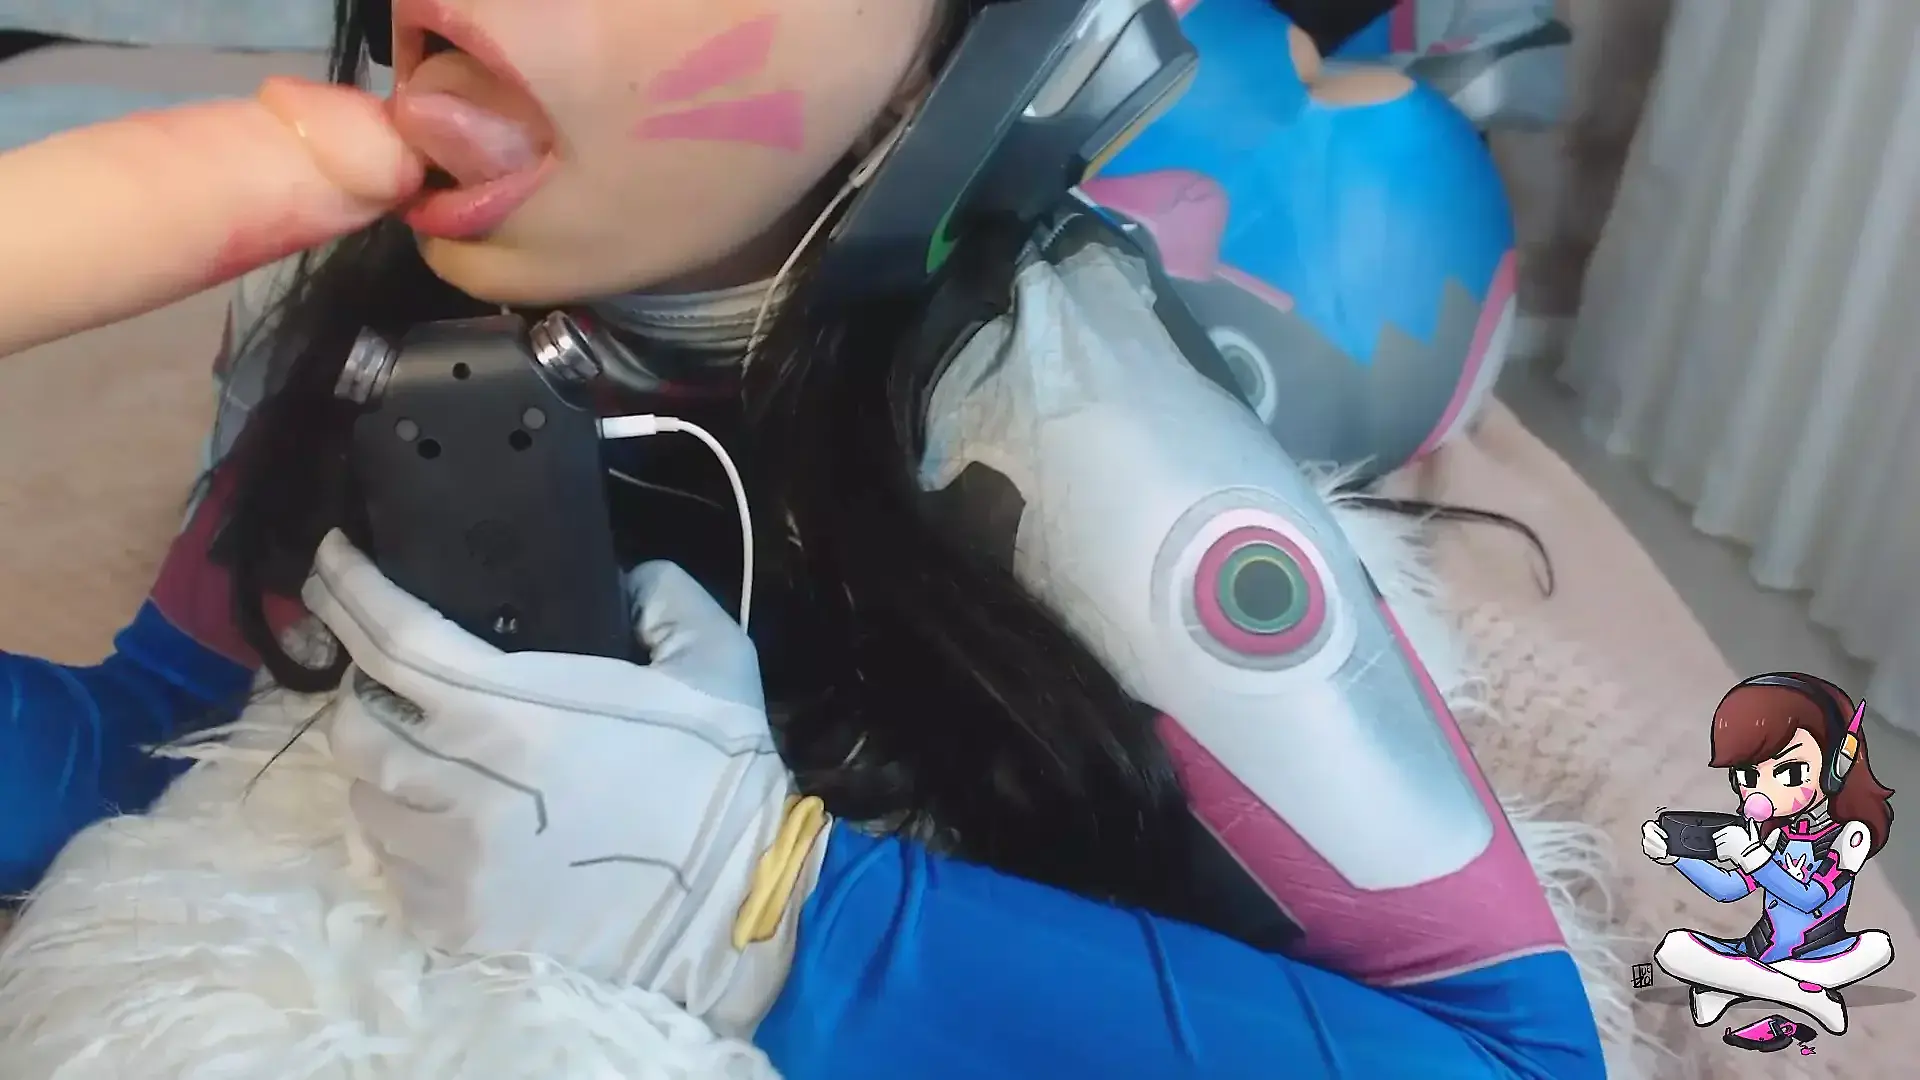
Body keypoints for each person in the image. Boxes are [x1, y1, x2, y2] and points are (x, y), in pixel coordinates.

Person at [0, 1, 1602, 1076]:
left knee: (1357, 233)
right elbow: (151, 736)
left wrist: (766, 907)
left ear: (943, 55)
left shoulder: (1067, 441)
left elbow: (1515, 1051)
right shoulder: (356, 326)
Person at [1644, 672, 1897, 1036]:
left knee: (1877, 947)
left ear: (1837, 767)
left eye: (1790, 772)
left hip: (1819, 955)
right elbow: (1729, 890)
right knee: (1673, 948)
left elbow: (1810, 898)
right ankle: (1801, 994)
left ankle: (1730, 986)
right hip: (1760, 950)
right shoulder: (1778, 834)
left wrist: (1753, 858)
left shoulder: (1851, 835)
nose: (1762, 792)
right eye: (1748, 777)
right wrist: (1677, 858)